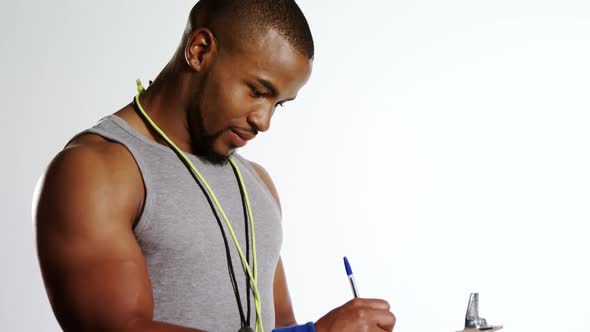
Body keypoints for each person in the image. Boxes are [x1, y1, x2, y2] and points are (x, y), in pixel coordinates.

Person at [33, 1, 396, 331]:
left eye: (279, 104)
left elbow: (281, 328)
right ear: (200, 50)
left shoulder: (257, 183)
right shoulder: (94, 170)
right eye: (257, 91)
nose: (264, 121)